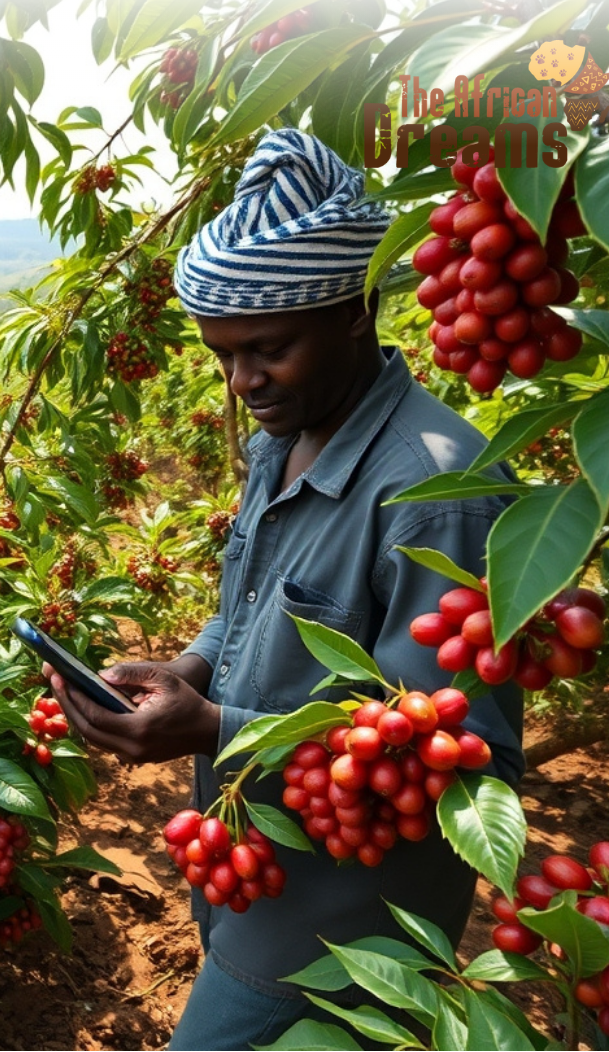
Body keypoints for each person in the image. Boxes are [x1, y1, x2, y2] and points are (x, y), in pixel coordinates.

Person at [42, 131, 524, 1050]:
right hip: (254, 878)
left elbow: (465, 759)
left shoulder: (438, 494)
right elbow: (251, 607)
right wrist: (186, 669)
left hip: (339, 922)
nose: (242, 382)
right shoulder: (280, 441)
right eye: (222, 355)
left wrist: (215, 728)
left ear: (354, 309)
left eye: (266, 350)